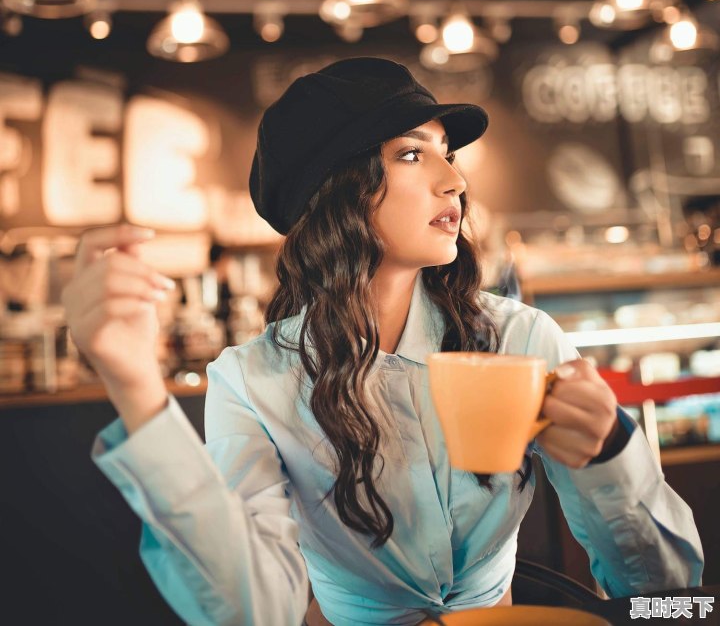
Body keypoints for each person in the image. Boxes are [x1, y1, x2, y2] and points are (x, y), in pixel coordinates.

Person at [62, 58, 703, 626]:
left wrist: (613, 458)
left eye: (448, 152)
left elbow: (672, 598)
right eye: (411, 153)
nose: (453, 181)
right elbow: (248, 612)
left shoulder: (520, 337)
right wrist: (137, 388)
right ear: (336, 193)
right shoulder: (253, 380)